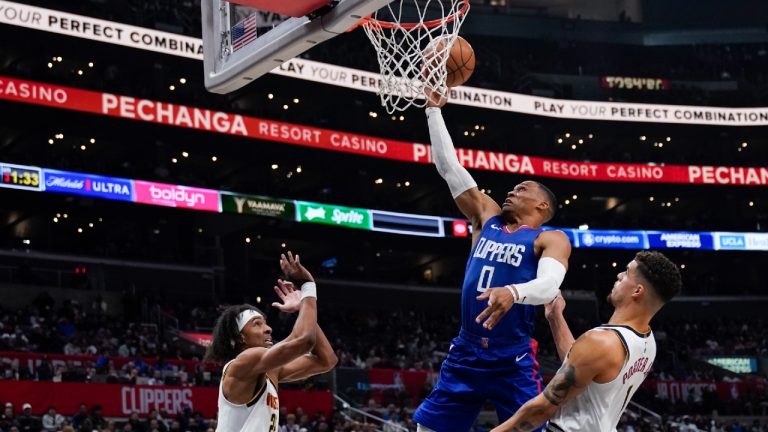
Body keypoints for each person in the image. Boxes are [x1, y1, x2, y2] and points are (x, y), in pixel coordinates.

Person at [413, 96, 571, 431]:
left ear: (542, 205)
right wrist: (432, 109)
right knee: (427, 428)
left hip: (511, 355)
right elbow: (448, 167)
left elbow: (548, 287)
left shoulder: (550, 238)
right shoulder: (488, 217)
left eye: (522, 188)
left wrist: (512, 292)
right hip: (467, 348)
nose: (512, 191)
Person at [492, 251, 683, 432]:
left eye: (626, 273)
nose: (618, 275)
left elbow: (543, 408)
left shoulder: (601, 341)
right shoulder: (648, 342)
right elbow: (581, 365)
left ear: (637, 291)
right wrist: (555, 317)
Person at [206, 252, 337, 432]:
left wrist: (303, 309)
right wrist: (308, 286)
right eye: (257, 324)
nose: (268, 329)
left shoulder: (270, 370)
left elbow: (326, 360)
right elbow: (303, 341)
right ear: (240, 337)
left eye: (266, 323)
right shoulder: (244, 362)